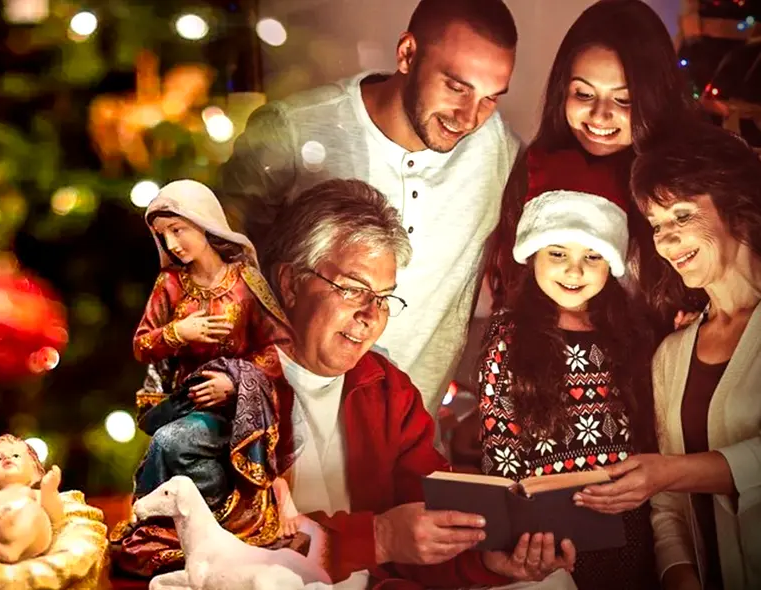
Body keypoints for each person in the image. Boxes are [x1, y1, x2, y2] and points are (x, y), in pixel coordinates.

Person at [263, 178, 575, 588]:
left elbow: (423, 533)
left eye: (383, 298)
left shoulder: (387, 389)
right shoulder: (230, 383)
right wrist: (379, 538)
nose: (370, 316)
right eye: (353, 290)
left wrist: (488, 561)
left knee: (550, 583)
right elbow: (236, 544)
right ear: (290, 283)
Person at [219, 0, 520, 415]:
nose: (469, 118)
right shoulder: (294, 131)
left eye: (490, 98)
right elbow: (214, 269)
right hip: (280, 424)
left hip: (411, 436)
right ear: (407, 54)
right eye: (456, 87)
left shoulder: (497, 150)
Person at [575, 123, 761, 590]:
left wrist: (670, 473)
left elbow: (667, 477)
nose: (666, 240)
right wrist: (679, 576)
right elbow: (668, 506)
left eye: (682, 215)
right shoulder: (672, 355)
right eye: (657, 224)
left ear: (737, 207)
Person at [478, 149, 659, 589]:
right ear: (533, 254)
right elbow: (499, 445)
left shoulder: (631, 331)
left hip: (629, 524)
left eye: (593, 256)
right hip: (547, 534)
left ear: (612, 262)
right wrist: (505, 533)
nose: (574, 271)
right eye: (558, 252)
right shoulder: (508, 335)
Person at [111, 180, 300, 577]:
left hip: (239, 412)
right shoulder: (170, 285)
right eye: (163, 235)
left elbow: (281, 349)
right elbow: (142, 345)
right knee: (176, 446)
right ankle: (184, 527)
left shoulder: (246, 283)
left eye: (178, 230)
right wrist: (179, 332)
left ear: (204, 223)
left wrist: (235, 382)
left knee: (170, 443)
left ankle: (197, 522)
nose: (172, 244)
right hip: (186, 402)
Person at [483, 0, 704, 339]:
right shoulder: (534, 178)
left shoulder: (688, 191)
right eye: (584, 94)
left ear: (655, 99)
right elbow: (512, 292)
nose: (600, 115)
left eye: (623, 99)